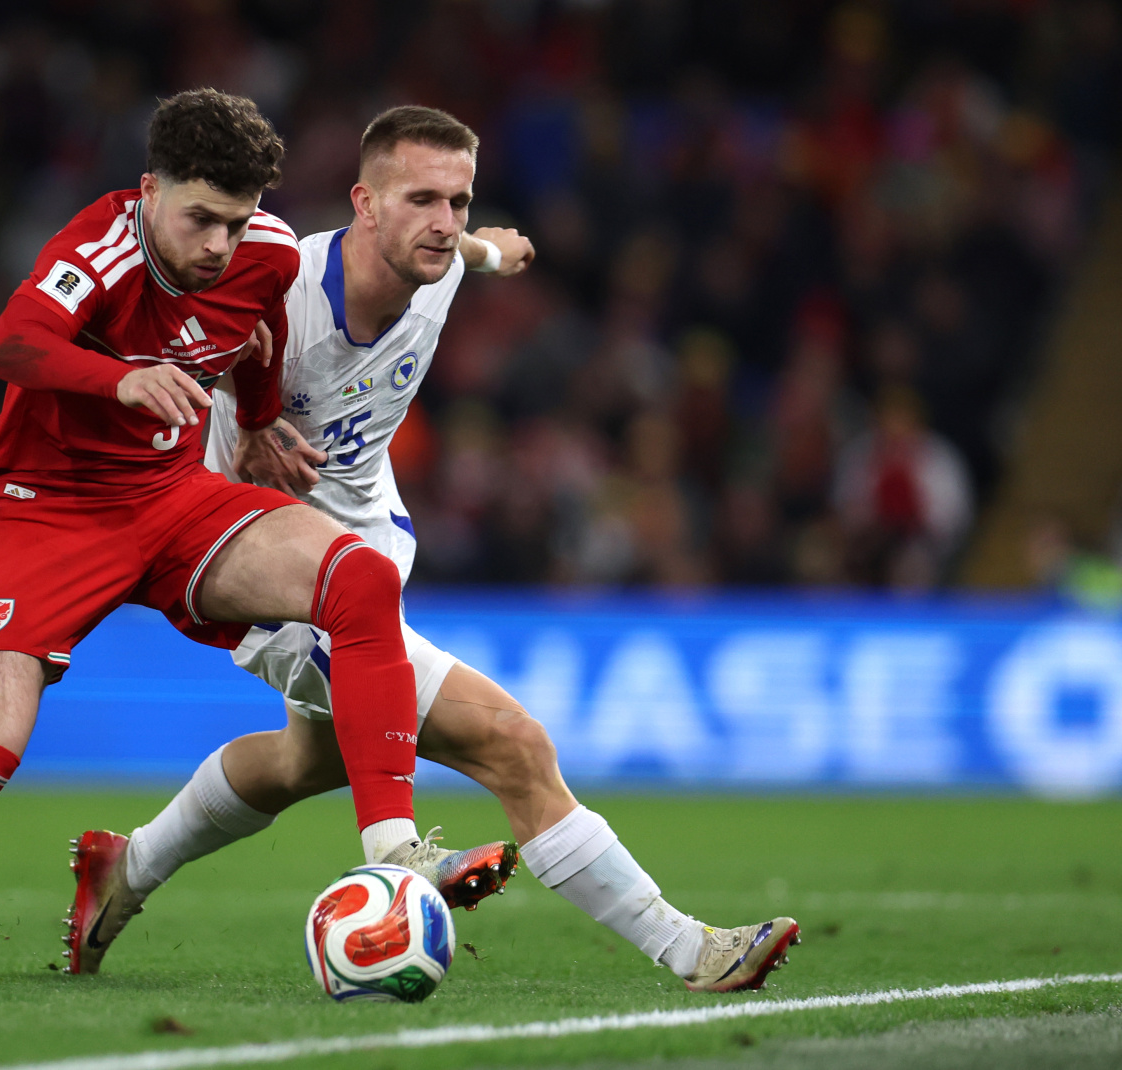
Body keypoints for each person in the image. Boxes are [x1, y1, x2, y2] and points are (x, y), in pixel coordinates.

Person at [68, 106, 800, 992]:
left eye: (459, 201)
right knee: (511, 742)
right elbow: (155, 355)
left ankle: (129, 865)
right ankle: (689, 949)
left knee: (306, 761)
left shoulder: (442, 262)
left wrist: (497, 250)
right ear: (363, 204)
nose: (445, 223)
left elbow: (469, 251)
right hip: (270, 574)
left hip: (366, 543)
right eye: (421, 200)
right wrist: (241, 422)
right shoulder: (276, 289)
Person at [0, 90, 504, 986]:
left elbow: (263, 326)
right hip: (41, 511)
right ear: (150, 190)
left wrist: (258, 422)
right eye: (201, 219)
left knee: (359, 577)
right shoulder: (99, 248)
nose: (220, 245)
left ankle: (394, 852)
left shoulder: (265, 251)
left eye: (237, 221)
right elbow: (9, 344)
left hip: (168, 497)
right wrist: (118, 381)